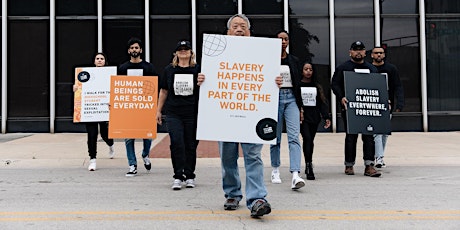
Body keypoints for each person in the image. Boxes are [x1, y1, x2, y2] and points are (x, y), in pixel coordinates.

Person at [197, 14, 282, 217]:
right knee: (228, 158)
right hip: (225, 114)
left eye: (243, 26)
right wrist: (202, 79)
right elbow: (210, 80)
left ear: (249, 31)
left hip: (252, 115)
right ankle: (232, 193)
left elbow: (268, 78)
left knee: (253, 157)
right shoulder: (216, 55)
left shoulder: (261, 53)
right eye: (235, 26)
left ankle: (257, 199)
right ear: (228, 32)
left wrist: (274, 81)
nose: (239, 29)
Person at [331, 41, 381, 177]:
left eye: (361, 50)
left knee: (369, 136)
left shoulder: (372, 69)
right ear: (350, 52)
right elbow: (334, 84)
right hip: (350, 108)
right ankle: (349, 165)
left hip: (368, 108)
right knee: (351, 137)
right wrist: (341, 97)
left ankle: (369, 166)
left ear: (365, 52)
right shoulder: (343, 68)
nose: (358, 52)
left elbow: (379, 86)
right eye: (355, 50)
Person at [157, 40, 201, 190]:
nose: (183, 51)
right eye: (180, 49)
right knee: (176, 143)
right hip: (173, 113)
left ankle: (189, 175)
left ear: (191, 53)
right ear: (175, 53)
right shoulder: (169, 70)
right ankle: (177, 175)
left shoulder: (198, 70)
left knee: (190, 144)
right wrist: (158, 110)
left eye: (186, 49)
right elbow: (164, 91)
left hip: (192, 113)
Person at [269, 30, 306, 190]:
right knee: (274, 137)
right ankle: (275, 169)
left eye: (285, 39)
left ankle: (295, 174)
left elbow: (299, 84)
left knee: (294, 137)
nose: (283, 41)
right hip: (275, 99)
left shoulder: (294, 60)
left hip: (291, 98)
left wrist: (301, 107)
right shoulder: (269, 59)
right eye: (280, 39)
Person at [118, 37, 158, 177]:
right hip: (129, 108)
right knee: (128, 137)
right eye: (132, 48)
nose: (134, 50)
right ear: (129, 50)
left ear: (140, 50)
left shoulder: (149, 67)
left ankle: (145, 154)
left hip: (145, 107)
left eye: (136, 48)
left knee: (147, 135)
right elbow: (118, 88)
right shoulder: (123, 68)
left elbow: (154, 87)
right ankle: (132, 164)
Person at [73, 52, 115, 171]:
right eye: (97, 58)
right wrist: (75, 88)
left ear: (105, 61)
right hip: (91, 110)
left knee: (105, 134)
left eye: (102, 58)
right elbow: (79, 89)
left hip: (104, 109)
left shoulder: (109, 74)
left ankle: (110, 144)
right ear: (94, 61)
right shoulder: (87, 74)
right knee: (92, 135)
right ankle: (92, 159)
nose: (100, 60)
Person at [370, 46, 404, 168]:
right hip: (372, 104)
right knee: (377, 132)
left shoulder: (391, 69)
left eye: (381, 53)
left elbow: (398, 86)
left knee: (384, 133)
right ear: (372, 55)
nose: (378, 55)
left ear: (384, 55)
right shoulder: (368, 68)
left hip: (387, 105)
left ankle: (380, 156)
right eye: (376, 53)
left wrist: (400, 104)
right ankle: (379, 158)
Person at [299, 62, 331, 180]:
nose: (308, 71)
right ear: (302, 71)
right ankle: (309, 166)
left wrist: (326, 117)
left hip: (314, 116)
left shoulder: (316, 86)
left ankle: (309, 161)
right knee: (306, 138)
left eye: (310, 69)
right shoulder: (298, 85)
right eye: (306, 69)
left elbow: (322, 103)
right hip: (302, 117)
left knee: (310, 140)